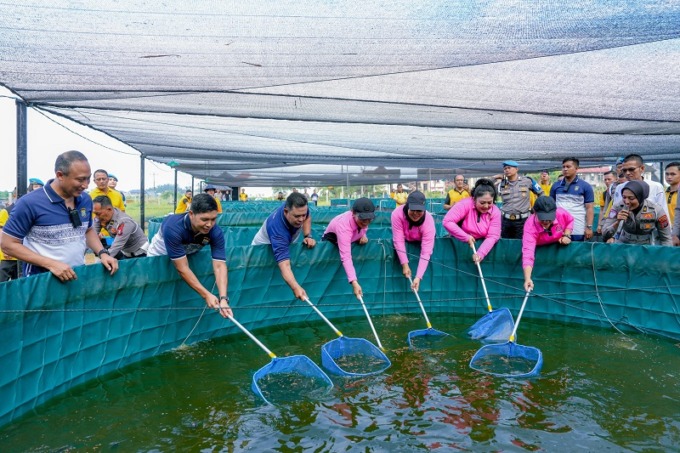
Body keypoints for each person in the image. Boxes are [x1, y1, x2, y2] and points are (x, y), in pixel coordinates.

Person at [1, 150, 118, 281]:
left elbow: (88, 230)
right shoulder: (30, 203)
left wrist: (102, 253)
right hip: (41, 280)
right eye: (80, 179)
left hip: (74, 275)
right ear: (60, 175)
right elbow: (8, 244)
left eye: (88, 178)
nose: (85, 185)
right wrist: (51, 264)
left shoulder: (85, 199)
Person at [147, 193, 231, 318]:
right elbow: (182, 268)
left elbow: (219, 265)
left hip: (186, 252)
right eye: (204, 219)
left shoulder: (215, 232)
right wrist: (206, 294)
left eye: (213, 219)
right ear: (191, 214)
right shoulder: (173, 227)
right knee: (158, 287)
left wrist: (223, 298)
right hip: (160, 252)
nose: (209, 224)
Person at [251, 192, 316, 299]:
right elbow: (284, 265)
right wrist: (296, 288)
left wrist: (308, 235)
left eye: (303, 215)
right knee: (265, 281)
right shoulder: (278, 231)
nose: (301, 219)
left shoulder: (301, 209)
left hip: (287, 240)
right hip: (262, 250)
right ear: (286, 212)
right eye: (297, 216)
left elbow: (307, 217)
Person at [322, 197, 375, 299]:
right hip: (330, 245)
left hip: (347, 241)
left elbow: (362, 228)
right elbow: (346, 256)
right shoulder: (344, 226)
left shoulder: (363, 221)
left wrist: (363, 235)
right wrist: (354, 283)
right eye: (363, 218)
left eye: (369, 218)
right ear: (353, 212)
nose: (366, 222)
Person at [443, 178, 501, 264]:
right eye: (482, 202)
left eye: (489, 202)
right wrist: (466, 237)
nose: (486, 206)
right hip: (458, 246)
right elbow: (447, 221)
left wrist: (480, 254)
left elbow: (493, 236)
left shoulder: (495, 212)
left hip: (483, 248)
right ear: (474, 199)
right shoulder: (465, 204)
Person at [522, 196, 574, 291]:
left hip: (559, 255)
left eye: (549, 218)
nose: (546, 221)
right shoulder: (530, 226)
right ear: (535, 212)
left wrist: (567, 235)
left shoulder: (561, 213)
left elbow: (570, 221)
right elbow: (528, 253)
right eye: (542, 218)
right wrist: (527, 279)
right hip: (540, 252)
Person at [602, 180, 672, 246]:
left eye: (631, 198)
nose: (626, 202)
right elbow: (604, 234)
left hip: (647, 246)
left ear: (640, 197)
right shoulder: (617, 207)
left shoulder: (656, 210)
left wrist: (666, 255)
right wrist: (617, 223)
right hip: (624, 245)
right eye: (624, 197)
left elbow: (666, 238)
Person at [391, 191, 436, 292]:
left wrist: (418, 277)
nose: (415, 213)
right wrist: (405, 264)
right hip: (405, 239)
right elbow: (398, 240)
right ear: (407, 205)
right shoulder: (397, 214)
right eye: (413, 210)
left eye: (419, 210)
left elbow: (426, 252)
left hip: (421, 241)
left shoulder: (428, 221)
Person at [494, 160, 543, 239]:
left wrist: (536, 208)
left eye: (509, 168)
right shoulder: (502, 183)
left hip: (523, 220)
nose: (506, 170)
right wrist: (494, 178)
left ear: (517, 169)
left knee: (521, 243)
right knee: (506, 243)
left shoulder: (527, 181)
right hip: (505, 220)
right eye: (505, 168)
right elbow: (488, 188)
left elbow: (541, 194)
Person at [550, 157, 595, 241]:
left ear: (576, 169)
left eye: (568, 166)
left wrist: (589, 227)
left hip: (577, 225)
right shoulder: (556, 185)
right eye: (563, 167)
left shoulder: (585, 186)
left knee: (576, 250)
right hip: (558, 225)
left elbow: (590, 208)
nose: (565, 169)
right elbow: (551, 206)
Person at [0, 188, 18, 282]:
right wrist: (5, 249)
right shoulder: (6, 211)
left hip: (22, 254)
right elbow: (1, 231)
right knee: (2, 280)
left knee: (18, 282)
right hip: (8, 255)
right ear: (15, 196)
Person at [596, 170, 617, 236]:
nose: (607, 181)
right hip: (606, 223)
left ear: (616, 179)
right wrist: (600, 225)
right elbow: (602, 210)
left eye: (609, 179)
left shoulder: (620, 192)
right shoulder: (604, 194)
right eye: (605, 179)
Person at [665, 162, 679, 227]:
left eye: (673, 174)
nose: (669, 177)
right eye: (667, 174)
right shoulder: (664, 193)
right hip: (666, 230)